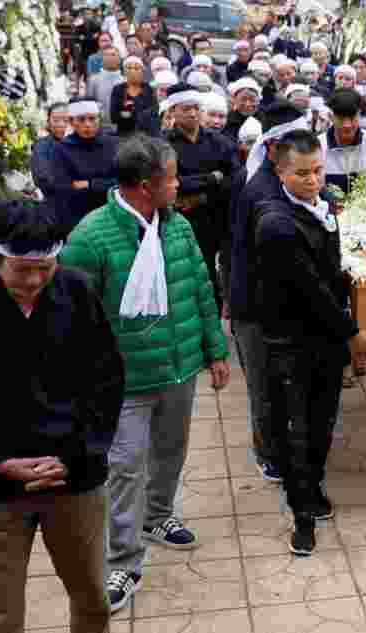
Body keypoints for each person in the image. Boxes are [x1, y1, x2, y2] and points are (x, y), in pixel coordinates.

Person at [0, 200, 125, 633]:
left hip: (74, 474)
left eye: (45, 267)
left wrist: (74, 457)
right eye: (22, 269)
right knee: (0, 612)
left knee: (92, 596)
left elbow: (106, 382)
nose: (35, 280)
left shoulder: (77, 292)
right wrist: (0, 458)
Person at [59, 134, 230, 612]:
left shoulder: (178, 227)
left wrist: (215, 351)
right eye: (171, 179)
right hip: (124, 380)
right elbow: (73, 318)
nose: (179, 186)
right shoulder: (91, 237)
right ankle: (122, 559)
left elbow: (201, 287)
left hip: (178, 367)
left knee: (171, 451)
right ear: (144, 185)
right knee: (125, 467)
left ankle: (158, 516)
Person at [254, 129, 366, 556]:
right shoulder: (276, 223)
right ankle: (302, 516)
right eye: (302, 173)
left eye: (318, 171)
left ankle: (313, 491)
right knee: (297, 432)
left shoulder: (323, 207)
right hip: (291, 340)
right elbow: (310, 289)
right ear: (280, 172)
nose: (312, 180)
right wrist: (352, 332)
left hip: (324, 338)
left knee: (323, 422)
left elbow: (329, 274)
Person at [229, 100, 308, 483]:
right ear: (273, 147)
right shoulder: (259, 189)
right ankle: (270, 454)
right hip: (258, 306)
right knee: (264, 386)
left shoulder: (282, 180)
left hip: (276, 303)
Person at [161, 83, 239, 311]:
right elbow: (172, 182)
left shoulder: (220, 142)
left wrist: (201, 196)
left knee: (212, 275)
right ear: (172, 111)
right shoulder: (163, 144)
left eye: (196, 108)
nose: (193, 113)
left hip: (216, 218)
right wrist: (211, 178)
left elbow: (235, 179)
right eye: (186, 109)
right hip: (180, 220)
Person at [50, 97, 119, 237]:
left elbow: (122, 182)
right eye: (81, 119)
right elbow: (63, 187)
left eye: (92, 119)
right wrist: (103, 184)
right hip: (77, 219)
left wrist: (90, 184)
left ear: (99, 119)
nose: (87, 124)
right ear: (71, 122)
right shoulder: (61, 149)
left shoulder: (113, 144)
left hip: (111, 214)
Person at [321, 88, 366, 194]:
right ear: (331, 117)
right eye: (341, 118)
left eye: (352, 118)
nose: (347, 125)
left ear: (359, 114)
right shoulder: (318, 146)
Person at [31, 102, 70, 198]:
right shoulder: (41, 147)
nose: (61, 124)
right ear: (48, 122)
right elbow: (43, 178)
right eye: (56, 120)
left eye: (66, 120)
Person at [109, 56, 155, 136]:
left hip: (146, 134)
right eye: (129, 68)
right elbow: (114, 117)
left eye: (136, 68)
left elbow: (152, 114)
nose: (132, 71)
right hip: (123, 135)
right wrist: (137, 113)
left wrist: (128, 114)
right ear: (124, 72)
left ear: (142, 71)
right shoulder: (118, 89)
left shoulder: (149, 89)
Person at [86, 46, 124, 133]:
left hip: (121, 130)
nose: (110, 58)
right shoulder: (93, 80)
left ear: (119, 59)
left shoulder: (125, 81)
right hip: (99, 129)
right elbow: (89, 105)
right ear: (102, 59)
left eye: (113, 55)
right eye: (106, 55)